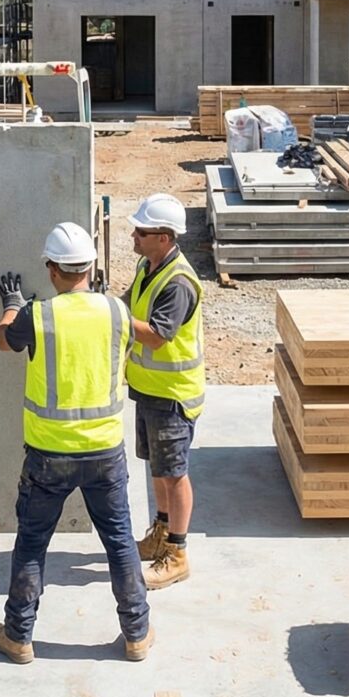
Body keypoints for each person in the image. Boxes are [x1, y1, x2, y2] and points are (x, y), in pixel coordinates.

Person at [0, 222, 154, 664]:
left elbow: (3, 341)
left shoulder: (37, 316)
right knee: (119, 541)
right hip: (104, 452)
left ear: (51, 269)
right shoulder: (116, 312)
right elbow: (144, 334)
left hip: (49, 456)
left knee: (32, 543)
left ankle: (18, 636)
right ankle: (136, 634)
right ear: (90, 267)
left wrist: (11, 305)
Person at [126, 193, 204, 590]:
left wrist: (114, 318)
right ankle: (160, 530)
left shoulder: (178, 283)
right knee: (157, 467)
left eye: (141, 231)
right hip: (149, 390)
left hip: (173, 395)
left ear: (164, 237)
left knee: (174, 474)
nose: (134, 236)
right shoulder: (148, 265)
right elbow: (130, 304)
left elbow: (156, 336)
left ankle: (177, 552)